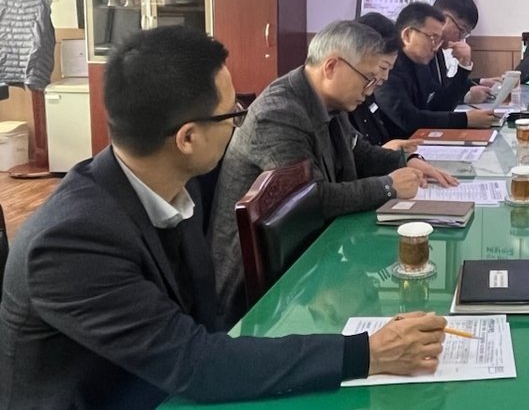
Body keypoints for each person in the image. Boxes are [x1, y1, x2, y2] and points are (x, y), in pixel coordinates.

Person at [0, 26, 447, 408]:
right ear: (188, 138)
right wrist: (367, 353)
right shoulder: (73, 241)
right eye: (233, 114)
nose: (240, 125)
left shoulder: (173, 185)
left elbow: (206, 332)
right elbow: (195, 364)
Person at [211, 20, 457, 319]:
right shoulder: (279, 114)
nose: (370, 91)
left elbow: (359, 152)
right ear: (331, 67)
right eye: (368, 79)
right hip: (265, 288)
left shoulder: (330, 102)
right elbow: (310, 200)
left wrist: (407, 161)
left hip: (308, 254)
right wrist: (388, 186)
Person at [374, 2, 494, 138]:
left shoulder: (422, 61)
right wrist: (465, 119)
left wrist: (463, 68)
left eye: (439, 39)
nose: (436, 47)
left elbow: (439, 106)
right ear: (407, 35)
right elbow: (408, 119)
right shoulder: (388, 66)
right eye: (433, 38)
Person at [348, 12, 413, 149]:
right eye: (383, 67)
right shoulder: (341, 102)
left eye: (390, 69)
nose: (385, 77)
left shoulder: (368, 94)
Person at [428, 0, 491, 107]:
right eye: (461, 30)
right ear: (444, 18)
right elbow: (431, 106)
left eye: (466, 33)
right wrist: (466, 100)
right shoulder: (420, 53)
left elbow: (442, 96)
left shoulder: (438, 52)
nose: (461, 38)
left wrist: (465, 67)